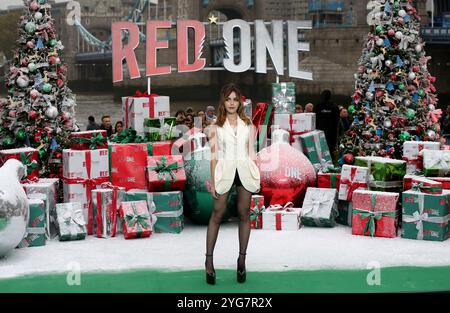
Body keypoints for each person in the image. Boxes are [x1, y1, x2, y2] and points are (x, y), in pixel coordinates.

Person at [205, 83, 260, 285]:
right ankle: (209, 262)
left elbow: (252, 153)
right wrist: (213, 182)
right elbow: (213, 157)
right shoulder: (214, 127)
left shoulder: (249, 125)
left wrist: (256, 176)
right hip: (224, 172)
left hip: (245, 172)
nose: (231, 103)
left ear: (240, 102)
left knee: (244, 214)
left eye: (235, 99)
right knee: (217, 214)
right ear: (223, 101)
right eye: (228, 99)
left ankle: (242, 260)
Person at [314, 90, 340, 156]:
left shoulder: (318, 106)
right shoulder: (334, 106)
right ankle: (330, 156)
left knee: (320, 144)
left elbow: (315, 118)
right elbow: (337, 119)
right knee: (330, 144)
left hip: (320, 128)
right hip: (332, 129)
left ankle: (320, 156)